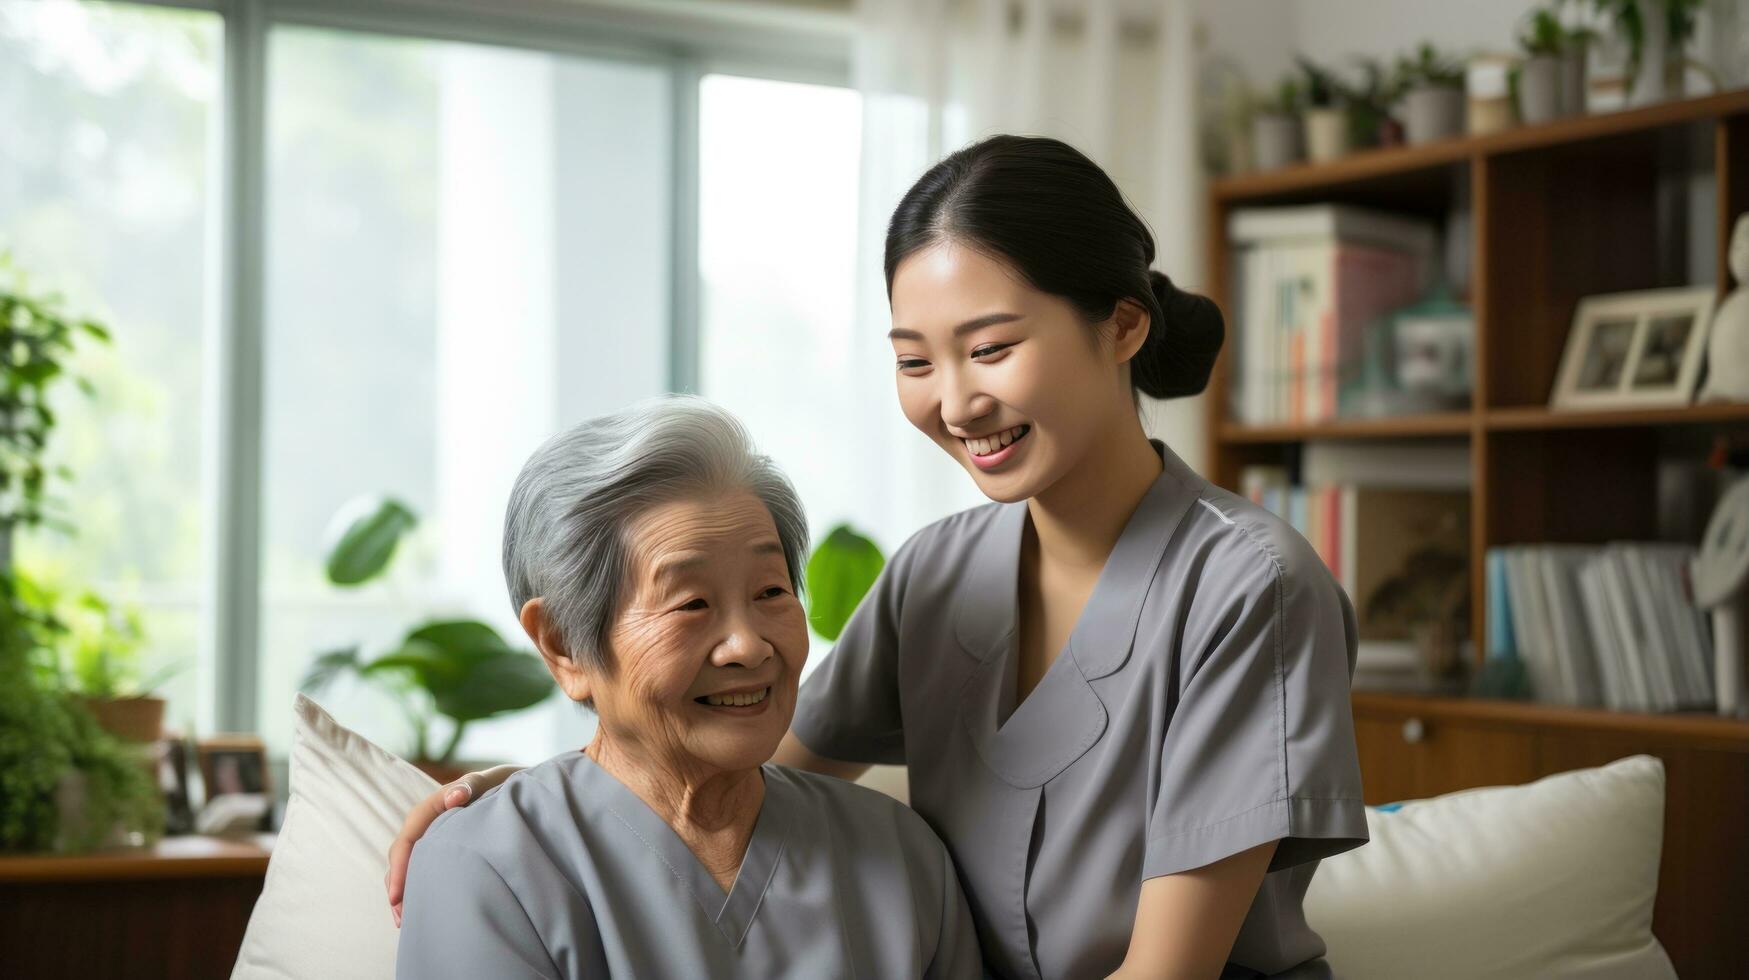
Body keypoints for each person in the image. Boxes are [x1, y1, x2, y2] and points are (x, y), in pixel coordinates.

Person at [390, 135, 1368, 979]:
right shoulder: (937, 574)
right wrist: (514, 808)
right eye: (913, 360)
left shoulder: (1250, 584)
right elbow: (731, 749)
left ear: (1121, 323)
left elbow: (1168, 970)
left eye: (989, 349)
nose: (953, 401)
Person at [395, 398, 980, 978]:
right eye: (692, 603)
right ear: (563, 645)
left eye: (771, 592)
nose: (748, 646)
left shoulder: (902, 858)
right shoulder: (485, 868)